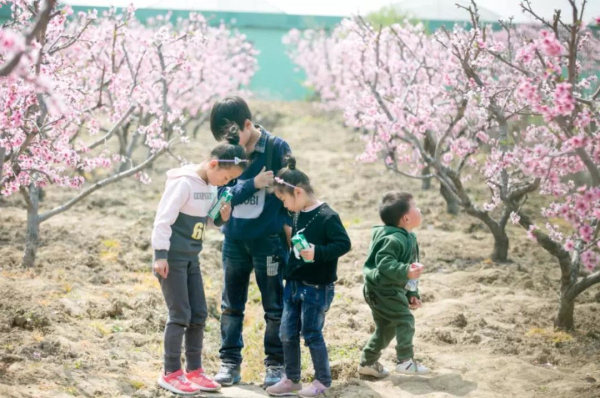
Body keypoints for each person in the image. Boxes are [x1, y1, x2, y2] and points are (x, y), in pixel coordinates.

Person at [151, 132, 247, 395]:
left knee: (199, 313)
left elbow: (203, 222)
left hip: (192, 257)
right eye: (226, 178)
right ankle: (171, 372)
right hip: (172, 258)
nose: (226, 183)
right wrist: (160, 255)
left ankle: (195, 370)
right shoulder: (183, 183)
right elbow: (163, 220)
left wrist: (220, 217)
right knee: (180, 314)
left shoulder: (210, 186)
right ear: (213, 164)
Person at [209, 96, 293, 387]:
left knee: (274, 306)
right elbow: (222, 197)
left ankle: (275, 364)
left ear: (247, 124)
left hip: (268, 241)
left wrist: (291, 237)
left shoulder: (275, 148)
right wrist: (252, 184)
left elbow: (290, 195)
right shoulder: (228, 152)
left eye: (234, 136)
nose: (233, 146)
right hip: (234, 241)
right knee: (231, 306)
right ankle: (229, 363)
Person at [266, 156, 351, 397]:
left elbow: (344, 244)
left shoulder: (327, 216)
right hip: (293, 284)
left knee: (312, 334)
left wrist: (318, 252)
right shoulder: (297, 213)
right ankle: (292, 379)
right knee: (287, 332)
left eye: (284, 199)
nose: (284, 205)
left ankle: (322, 381)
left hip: (316, 287)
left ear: (299, 193)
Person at [357, 191, 430, 378]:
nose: (419, 209)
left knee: (386, 327)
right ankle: (405, 361)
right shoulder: (394, 239)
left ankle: (368, 362)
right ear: (406, 218)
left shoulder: (409, 237)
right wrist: (405, 270)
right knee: (405, 320)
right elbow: (384, 262)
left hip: (386, 289)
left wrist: (412, 293)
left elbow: (410, 269)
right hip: (383, 290)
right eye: (415, 206)